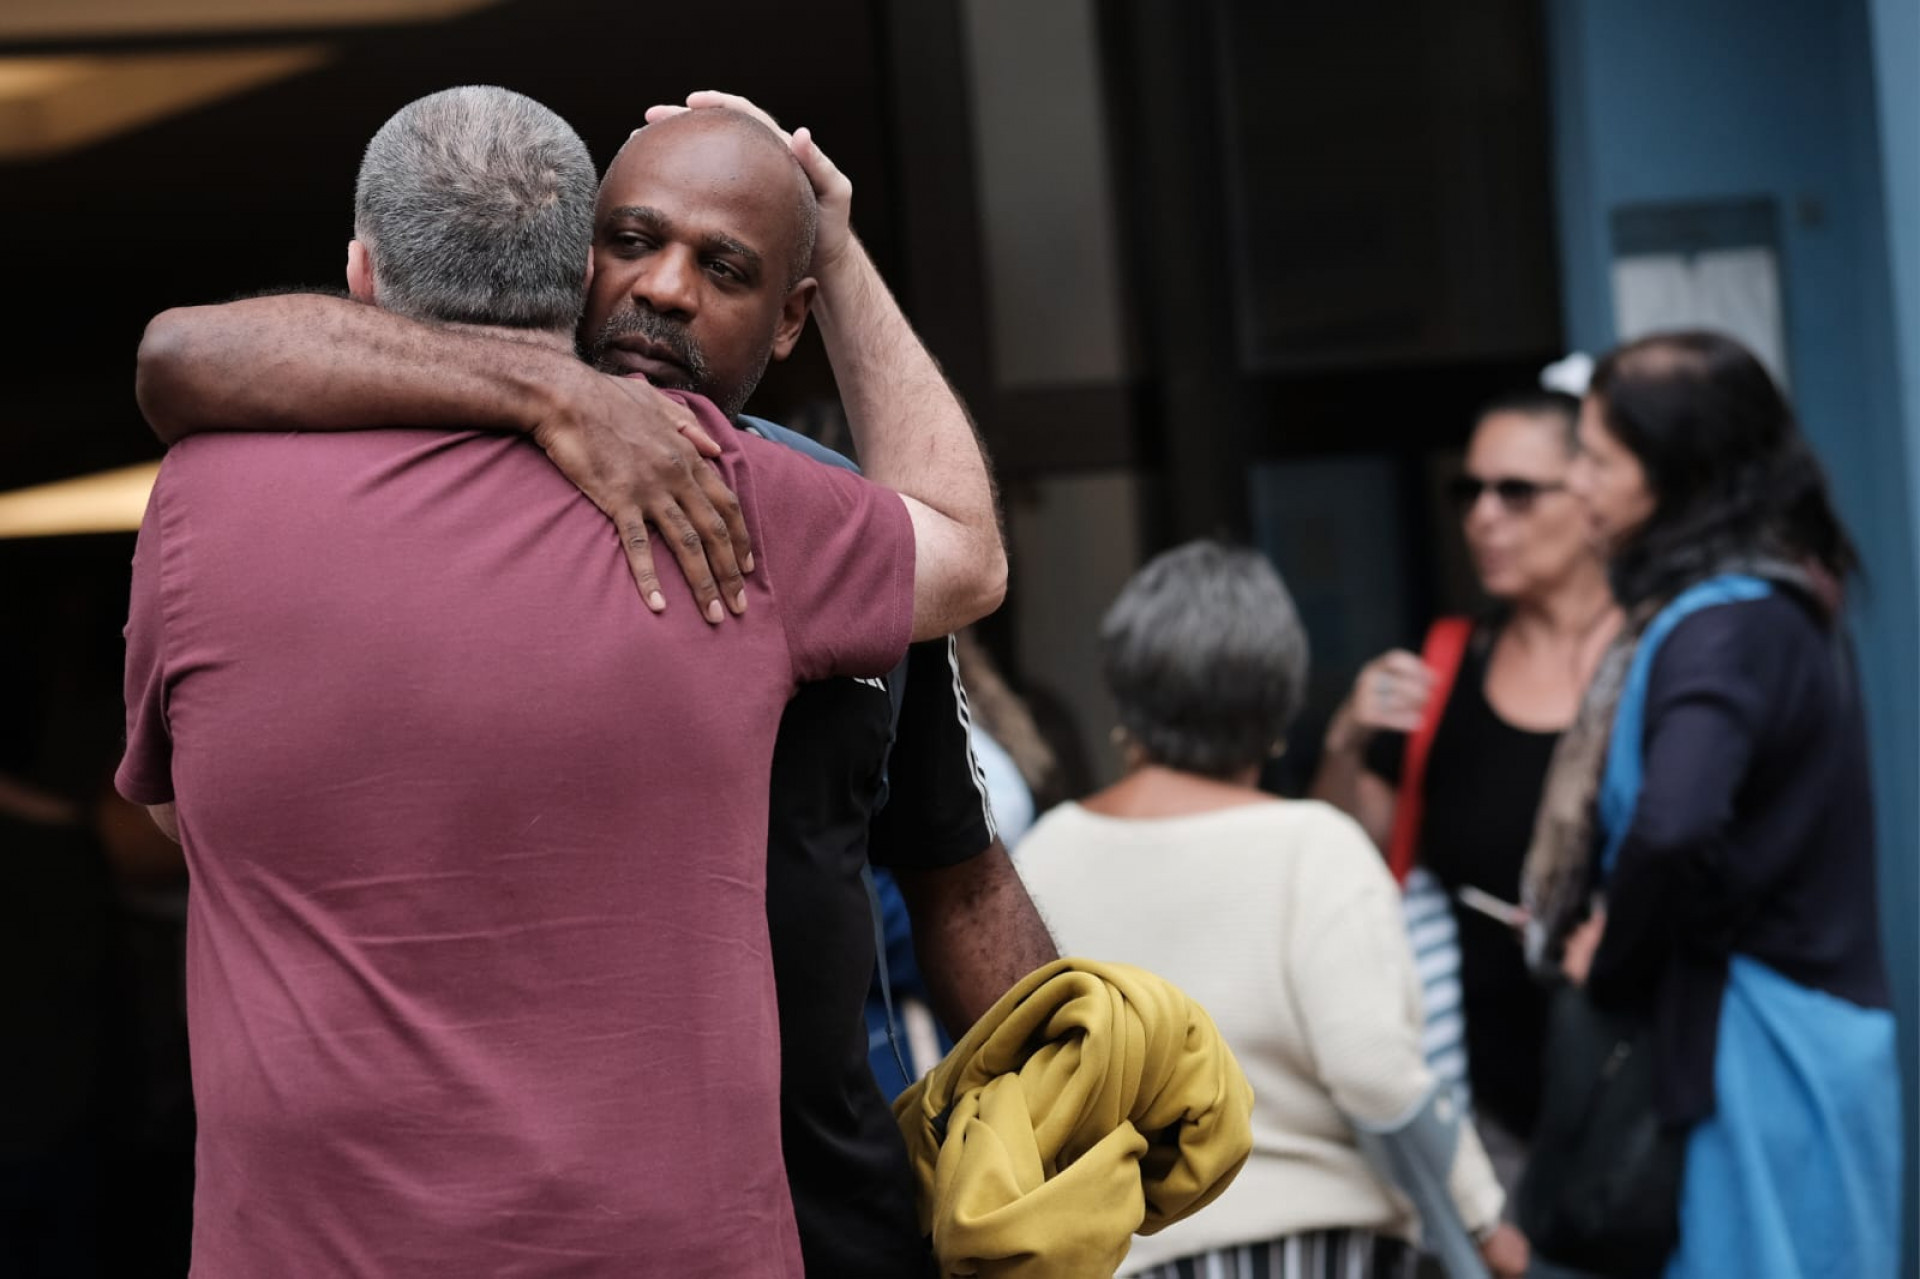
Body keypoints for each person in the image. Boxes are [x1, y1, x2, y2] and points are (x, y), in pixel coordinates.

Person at [133, 91, 1055, 1277]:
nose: (665, 289)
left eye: (726, 266)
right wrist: (549, 389)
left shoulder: (206, 500)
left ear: (793, 318)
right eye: (632, 242)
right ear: (573, 269)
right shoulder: (762, 517)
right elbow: (183, 356)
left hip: (767, 1217)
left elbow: (960, 872)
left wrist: (1053, 1122)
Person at [1016, 541, 1528, 1279]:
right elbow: (1374, 1069)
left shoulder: (1044, 853)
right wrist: (1483, 1218)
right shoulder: (1314, 845)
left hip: (1130, 1254)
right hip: (1321, 1247)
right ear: (1278, 709)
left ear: (1123, 697)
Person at [1530, 330, 1899, 1278]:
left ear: (1676, 473)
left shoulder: (1719, 627)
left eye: (1597, 459)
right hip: (1795, 1039)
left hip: (1759, 1057)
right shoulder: (1771, 602)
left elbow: (1675, 823)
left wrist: (1614, 959)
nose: (1576, 482)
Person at [1311, 389, 1621, 1185]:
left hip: (1644, 1078)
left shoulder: (1662, 660)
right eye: (1469, 490)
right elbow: (1349, 857)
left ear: (1590, 496)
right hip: (1482, 1107)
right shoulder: (1446, 665)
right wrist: (1347, 739)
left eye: (1516, 492)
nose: (1483, 516)